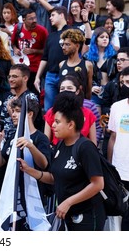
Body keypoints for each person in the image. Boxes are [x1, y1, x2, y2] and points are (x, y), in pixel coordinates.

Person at [18, 91, 106, 231]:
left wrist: (68, 202)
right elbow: (55, 177)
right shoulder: (60, 145)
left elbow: (98, 184)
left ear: (71, 124)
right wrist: (29, 170)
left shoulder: (86, 147)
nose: (53, 125)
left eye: (57, 122)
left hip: (88, 217)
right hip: (67, 215)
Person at [34, 6, 70, 111]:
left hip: (66, 74)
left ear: (62, 15)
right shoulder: (51, 36)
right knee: (48, 109)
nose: (50, 18)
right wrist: (37, 77)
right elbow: (44, 58)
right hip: (50, 75)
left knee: (65, 108)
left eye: (53, 15)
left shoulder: (72, 32)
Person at [44, 75, 97, 146]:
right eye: (62, 88)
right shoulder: (51, 112)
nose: (65, 91)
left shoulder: (88, 113)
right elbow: (46, 142)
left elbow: (93, 143)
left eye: (69, 88)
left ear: (77, 91)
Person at [107, 66, 129, 230]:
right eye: (122, 82)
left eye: (128, 81)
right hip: (120, 169)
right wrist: (109, 166)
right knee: (121, 212)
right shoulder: (117, 106)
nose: (125, 85)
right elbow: (113, 137)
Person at [11, 8, 48, 94]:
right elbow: (13, 44)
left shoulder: (42, 31)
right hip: (21, 67)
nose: (34, 20)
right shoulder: (18, 28)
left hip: (35, 68)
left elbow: (47, 51)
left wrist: (34, 51)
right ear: (23, 20)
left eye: (35, 18)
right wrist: (15, 49)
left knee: (33, 93)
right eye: (31, 19)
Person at [83, 27, 117, 111]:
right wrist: (91, 88)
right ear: (95, 39)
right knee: (96, 120)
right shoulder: (87, 56)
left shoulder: (114, 56)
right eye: (102, 37)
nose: (105, 39)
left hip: (110, 91)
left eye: (107, 37)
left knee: (108, 118)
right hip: (95, 91)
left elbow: (118, 74)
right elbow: (83, 75)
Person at [58, 28, 93, 100]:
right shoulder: (61, 64)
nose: (64, 47)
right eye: (63, 44)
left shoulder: (87, 65)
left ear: (77, 46)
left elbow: (88, 91)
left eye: (67, 44)